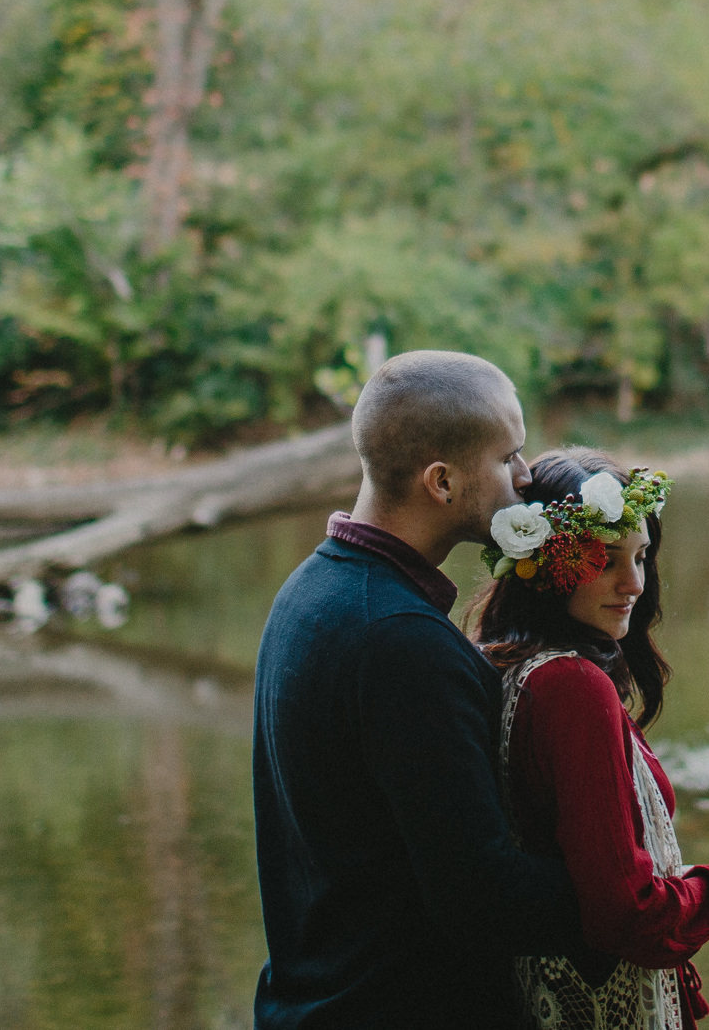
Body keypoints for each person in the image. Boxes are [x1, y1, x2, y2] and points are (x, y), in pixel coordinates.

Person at [252, 350, 582, 1029]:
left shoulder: (310, 591)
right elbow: (485, 899)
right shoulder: (401, 641)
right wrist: (641, 890)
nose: (526, 476)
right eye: (508, 456)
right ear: (442, 480)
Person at [471, 448, 709, 1029]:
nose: (633, 583)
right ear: (548, 561)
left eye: (641, 557)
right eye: (606, 559)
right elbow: (624, 912)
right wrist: (707, 893)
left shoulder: (512, 666)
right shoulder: (571, 687)